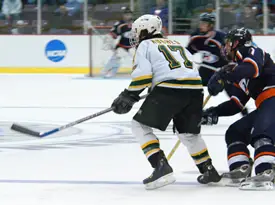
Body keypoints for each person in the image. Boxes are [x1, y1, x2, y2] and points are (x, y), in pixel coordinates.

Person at [111, 14, 221, 190]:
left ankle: (160, 166)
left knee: (139, 126)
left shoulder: (145, 45)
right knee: (188, 134)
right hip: (195, 91)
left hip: (169, 90)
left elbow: (143, 76)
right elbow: (187, 71)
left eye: (138, 32)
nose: (136, 36)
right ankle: (208, 170)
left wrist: (128, 95)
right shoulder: (176, 44)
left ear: (147, 31)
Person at [207, 28, 275, 190]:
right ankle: (240, 169)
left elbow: (252, 69)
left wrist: (225, 75)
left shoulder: (252, 50)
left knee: (262, 132)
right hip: (266, 103)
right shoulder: (238, 68)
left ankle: (267, 170)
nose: (225, 47)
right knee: (235, 131)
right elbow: (236, 104)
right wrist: (214, 112)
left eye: (228, 43)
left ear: (237, 42)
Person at [186, 13, 248, 126]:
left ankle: (245, 113)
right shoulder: (196, 37)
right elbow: (188, 51)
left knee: (231, 92)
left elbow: (231, 53)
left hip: (222, 70)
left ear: (211, 25)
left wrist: (229, 66)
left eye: (204, 23)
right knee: (195, 89)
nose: (201, 25)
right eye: (201, 23)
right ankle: (194, 113)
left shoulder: (221, 37)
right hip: (206, 69)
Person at [101, 7, 134, 78]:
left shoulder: (136, 24)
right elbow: (113, 35)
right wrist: (109, 40)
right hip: (121, 46)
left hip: (133, 47)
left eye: (129, 14)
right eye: (126, 14)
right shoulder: (119, 24)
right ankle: (106, 72)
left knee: (136, 60)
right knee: (116, 59)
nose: (128, 16)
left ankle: (140, 74)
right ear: (123, 15)